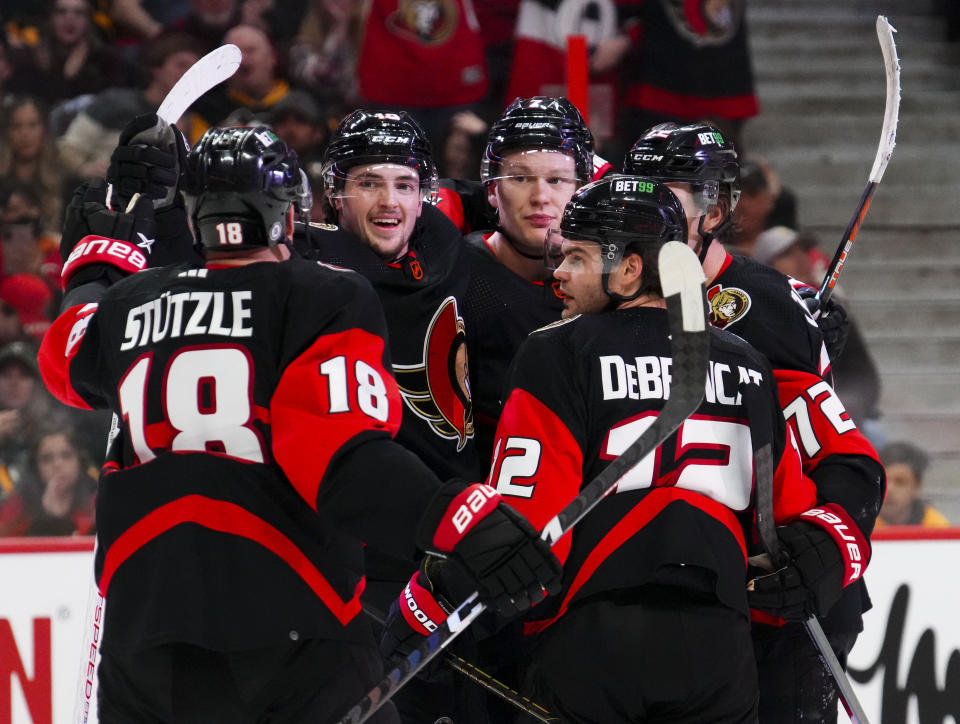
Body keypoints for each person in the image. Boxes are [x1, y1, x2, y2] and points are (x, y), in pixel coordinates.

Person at [38, 123, 560, 722]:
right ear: (288, 214)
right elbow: (346, 464)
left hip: (146, 637)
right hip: (289, 630)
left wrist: (93, 272)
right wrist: (465, 517)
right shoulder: (320, 296)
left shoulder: (130, 304)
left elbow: (66, 359)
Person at [485, 175, 862, 722]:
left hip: (594, 639)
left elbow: (531, 524)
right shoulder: (749, 363)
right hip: (719, 649)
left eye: (578, 259)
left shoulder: (556, 351)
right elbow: (780, 526)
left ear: (632, 268)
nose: (559, 275)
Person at [624, 122, 886, 723]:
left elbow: (844, 461)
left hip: (782, 596)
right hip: (685, 590)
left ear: (713, 209)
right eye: (638, 191)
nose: (647, 211)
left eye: (668, 195)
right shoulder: (627, 286)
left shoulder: (763, 306)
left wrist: (826, 550)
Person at [459, 96, 597, 461]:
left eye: (556, 180)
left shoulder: (612, 282)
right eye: (520, 178)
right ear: (491, 190)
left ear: (580, 190)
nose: (540, 197)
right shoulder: (454, 270)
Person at [877, 441, 949, 527]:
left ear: (917, 486)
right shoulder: (860, 525)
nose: (889, 490)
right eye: (882, 481)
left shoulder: (936, 527)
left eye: (900, 482)